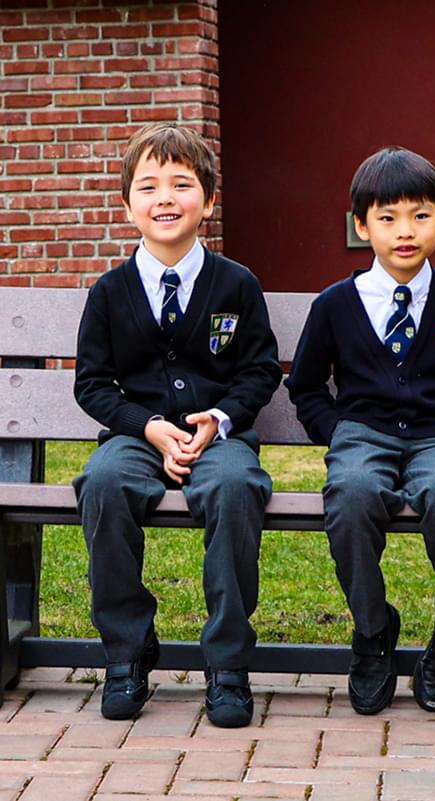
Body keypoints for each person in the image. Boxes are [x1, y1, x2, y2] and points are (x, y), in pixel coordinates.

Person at [285, 146, 435, 715]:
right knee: (352, 495)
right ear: (362, 226)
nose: (404, 232)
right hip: (362, 435)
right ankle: (372, 630)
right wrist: (336, 432)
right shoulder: (336, 304)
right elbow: (307, 385)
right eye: (387, 218)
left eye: (419, 216)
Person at [73, 122, 282, 728]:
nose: (165, 198)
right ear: (128, 206)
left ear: (209, 201)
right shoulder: (110, 292)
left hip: (221, 437)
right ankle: (128, 651)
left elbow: (259, 371)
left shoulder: (236, 284)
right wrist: (147, 427)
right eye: (148, 186)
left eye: (181, 184)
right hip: (136, 437)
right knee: (103, 484)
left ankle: (227, 663)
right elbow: (92, 383)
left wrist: (218, 420)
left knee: (235, 488)